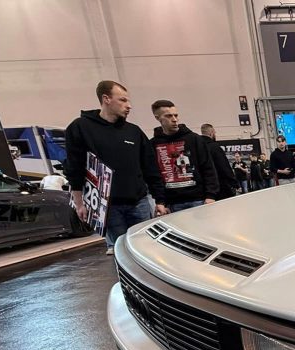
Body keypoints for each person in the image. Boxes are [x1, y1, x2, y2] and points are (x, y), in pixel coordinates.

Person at [64, 80, 167, 255]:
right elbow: (75, 167)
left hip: (139, 202)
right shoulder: (80, 128)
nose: (129, 106)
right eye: (123, 100)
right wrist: (79, 203)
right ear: (106, 99)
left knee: (148, 252)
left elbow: (150, 167)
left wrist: (160, 200)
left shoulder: (134, 131)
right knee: (122, 253)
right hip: (108, 207)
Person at [149, 99, 218, 213]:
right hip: (171, 203)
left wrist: (211, 195)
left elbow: (208, 168)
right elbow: (154, 175)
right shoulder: (153, 144)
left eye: (176, 115)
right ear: (158, 118)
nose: (174, 119)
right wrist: (160, 201)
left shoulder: (194, 139)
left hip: (198, 200)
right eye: (168, 116)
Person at [200, 123, 238, 200]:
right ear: (211, 133)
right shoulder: (215, 147)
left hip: (203, 188)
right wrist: (234, 183)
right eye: (215, 133)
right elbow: (224, 166)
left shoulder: (198, 147)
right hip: (220, 186)